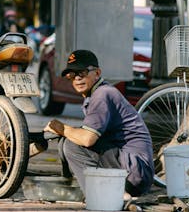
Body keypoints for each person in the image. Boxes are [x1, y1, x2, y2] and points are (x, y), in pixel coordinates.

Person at [43, 49, 153, 199]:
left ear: (97, 73)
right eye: (72, 75)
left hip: (136, 172)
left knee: (72, 145)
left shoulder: (102, 94)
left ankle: (101, 196)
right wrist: (64, 132)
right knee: (68, 140)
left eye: (82, 73)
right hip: (133, 168)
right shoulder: (96, 93)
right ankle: (103, 192)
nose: (77, 78)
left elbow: (87, 139)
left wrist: (60, 127)